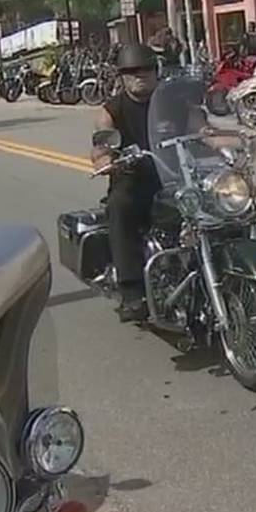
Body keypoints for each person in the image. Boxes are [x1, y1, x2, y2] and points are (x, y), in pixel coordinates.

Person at [91, 43, 162, 323]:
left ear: (156, 72)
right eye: (131, 71)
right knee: (120, 205)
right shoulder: (111, 110)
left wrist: (239, 141)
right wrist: (104, 160)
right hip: (134, 178)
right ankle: (131, 289)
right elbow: (101, 145)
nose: (140, 75)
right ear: (122, 76)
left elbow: (201, 129)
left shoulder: (172, 101)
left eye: (145, 69)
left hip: (174, 174)